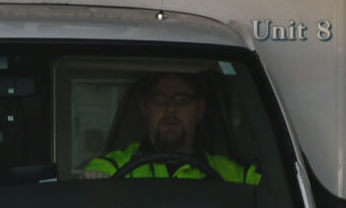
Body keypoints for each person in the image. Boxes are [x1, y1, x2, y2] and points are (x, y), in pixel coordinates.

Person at [84, 71, 260, 183]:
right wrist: (96, 187)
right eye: (160, 100)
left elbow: (270, 196)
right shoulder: (113, 168)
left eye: (181, 100)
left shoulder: (234, 176)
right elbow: (91, 194)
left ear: (200, 109)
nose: (170, 109)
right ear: (144, 108)